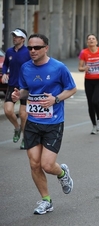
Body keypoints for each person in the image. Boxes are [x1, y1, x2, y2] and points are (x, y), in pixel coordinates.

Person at [11, 33, 77, 215]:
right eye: (30, 48)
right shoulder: (26, 68)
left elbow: (72, 88)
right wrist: (19, 95)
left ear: (46, 48)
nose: (32, 51)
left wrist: (55, 99)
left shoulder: (59, 67)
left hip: (53, 122)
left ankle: (62, 173)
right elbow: (25, 90)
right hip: (32, 121)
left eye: (37, 48)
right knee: (34, 164)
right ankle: (46, 200)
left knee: (47, 165)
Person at [1, 28, 31, 149]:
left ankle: (24, 138)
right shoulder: (9, 51)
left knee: (24, 115)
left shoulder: (28, 52)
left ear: (23, 39)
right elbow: (6, 65)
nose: (14, 38)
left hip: (25, 86)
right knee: (8, 111)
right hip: (12, 85)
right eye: (13, 36)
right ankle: (17, 128)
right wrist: (4, 73)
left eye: (17, 36)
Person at [78, 34, 99, 134]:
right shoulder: (84, 53)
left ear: (96, 41)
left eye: (93, 39)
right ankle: (94, 125)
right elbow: (79, 68)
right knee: (90, 103)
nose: (91, 40)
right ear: (87, 42)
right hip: (88, 81)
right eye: (89, 39)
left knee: (95, 101)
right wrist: (84, 68)